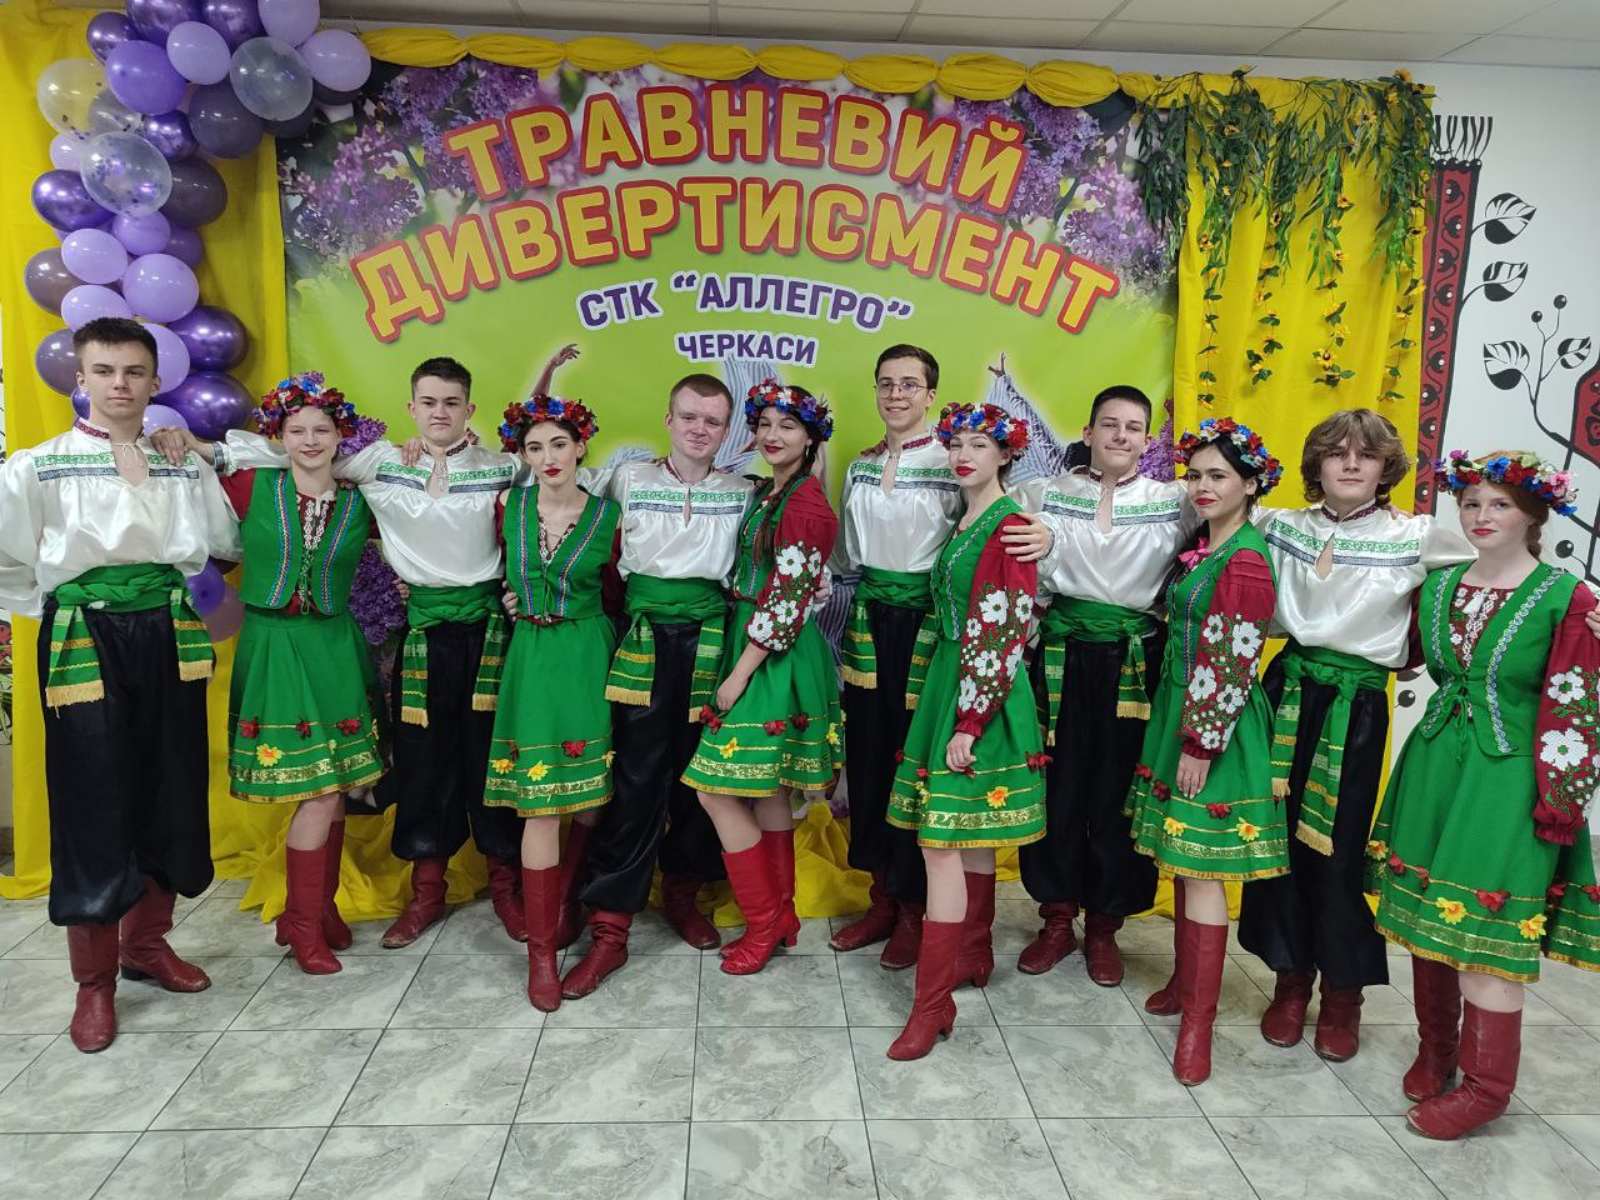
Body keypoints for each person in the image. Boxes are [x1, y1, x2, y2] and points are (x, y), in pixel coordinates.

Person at [197, 358, 526, 948]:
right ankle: (426, 892)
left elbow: (554, 487)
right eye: (429, 402)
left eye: (452, 403)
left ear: (469, 409)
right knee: (421, 762)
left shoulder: (500, 467)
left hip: (489, 630)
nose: (440, 413)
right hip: (421, 631)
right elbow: (295, 455)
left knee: (493, 756)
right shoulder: (377, 463)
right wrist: (209, 450)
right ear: (412, 407)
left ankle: (508, 889)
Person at [0, 317, 240, 1053]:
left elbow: (224, 541)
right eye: (104, 371)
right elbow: (8, 562)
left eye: (134, 371)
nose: (120, 384)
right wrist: (68, 604)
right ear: (81, 378)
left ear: (155, 379)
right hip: (86, 636)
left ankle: (146, 945)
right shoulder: (38, 467)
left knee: (171, 782)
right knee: (92, 796)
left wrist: (193, 454)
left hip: (167, 632)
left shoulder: (179, 462)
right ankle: (93, 984)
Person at [1368, 450, 1600, 1140]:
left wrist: (1562, 800)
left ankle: (1487, 1087)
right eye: (1470, 503)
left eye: (1499, 504)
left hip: (1511, 777)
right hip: (1434, 763)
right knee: (1428, 915)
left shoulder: (1568, 598)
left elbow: (1576, 702)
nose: (1480, 515)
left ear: (1533, 513)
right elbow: (1390, 647)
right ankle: (1436, 1050)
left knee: (1485, 931)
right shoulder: (1439, 586)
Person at [1238, 409, 1473, 1060]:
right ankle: (1291, 978)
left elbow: (1497, 572)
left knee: (1337, 853)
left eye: (1365, 455)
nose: (1349, 463)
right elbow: (1203, 523)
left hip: (1357, 703)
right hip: (1286, 690)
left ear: (1384, 469)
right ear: (1315, 463)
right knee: (1275, 841)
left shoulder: (1415, 536)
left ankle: (1344, 992)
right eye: (1336, 451)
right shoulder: (1279, 524)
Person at [831, 346, 1050, 970]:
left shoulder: (955, 458)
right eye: (885, 383)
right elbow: (846, 554)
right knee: (870, 758)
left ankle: (916, 908)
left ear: (931, 395)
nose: (896, 394)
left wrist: (1048, 532)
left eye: (910, 384)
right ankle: (880, 894)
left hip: (932, 627)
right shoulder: (861, 466)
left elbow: (1007, 521)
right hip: (870, 621)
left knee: (919, 762)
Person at [560, 374, 756, 997]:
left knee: (702, 778)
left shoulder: (742, 493)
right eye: (689, 417)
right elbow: (553, 497)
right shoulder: (627, 478)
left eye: (713, 421)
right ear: (668, 419)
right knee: (636, 777)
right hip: (642, 638)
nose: (700, 429)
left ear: (727, 431)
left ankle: (682, 891)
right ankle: (610, 926)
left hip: (711, 642)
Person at [1014, 385, 1198, 986]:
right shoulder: (1042, 493)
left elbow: (1240, 521)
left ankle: (1104, 925)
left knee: (1120, 789)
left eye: (1134, 427)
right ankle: (1055, 917)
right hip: (1060, 654)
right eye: (1110, 424)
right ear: (1088, 432)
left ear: (1147, 442)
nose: (1121, 435)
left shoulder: (1175, 501)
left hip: (1136, 661)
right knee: (1057, 782)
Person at [1125, 417, 1287, 1086]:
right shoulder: (1205, 546)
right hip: (1180, 708)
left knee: (1201, 871)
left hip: (1214, 721)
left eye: (1219, 475)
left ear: (1251, 485)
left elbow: (1233, 659)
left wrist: (1202, 742)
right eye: (1195, 475)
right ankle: (1184, 983)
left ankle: (1200, 1024)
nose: (1202, 486)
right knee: (1182, 860)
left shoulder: (1244, 558)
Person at [883, 401, 1046, 1061]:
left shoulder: (1011, 526)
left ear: (1006, 454)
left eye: (980, 443)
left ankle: (931, 1006)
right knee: (968, 835)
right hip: (952, 678)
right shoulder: (968, 518)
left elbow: (1004, 631)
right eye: (956, 443)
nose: (963, 454)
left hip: (983, 687)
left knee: (942, 842)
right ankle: (972, 954)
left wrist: (971, 721)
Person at [219, 374, 385, 975]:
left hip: (335, 645)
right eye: (297, 430)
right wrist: (186, 441)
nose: (310, 440)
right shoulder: (249, 485)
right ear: (279, 436)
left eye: (322, 430)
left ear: (341, 437)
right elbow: (209, 464)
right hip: (274, 643)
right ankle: (304, 924)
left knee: (335, 783)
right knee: (318, 789)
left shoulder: (363, 501)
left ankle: (317, 910)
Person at [683, 379, 841, 976]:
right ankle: (782, 915)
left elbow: (788, 601)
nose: (773, 435)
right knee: (769, 790)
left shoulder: (804, 504)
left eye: (788, 426)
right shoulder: (769, 491)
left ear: (811, 437)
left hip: (772, 653)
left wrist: (737, 678)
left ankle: (763, 921)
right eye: (765, 424)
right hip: (751, 636)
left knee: (713, 789)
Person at [487, 395, 622, 1011]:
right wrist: (509, 597)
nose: (548, 458)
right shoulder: (506, 506)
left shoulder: (610, 516)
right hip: (530, 660)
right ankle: (541, 957)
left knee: (590, 801)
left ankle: (567, 902)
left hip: (589, 656)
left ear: (580, 447)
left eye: (559, 445)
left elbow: (620, 591)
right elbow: (484, 571)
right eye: (535, 447)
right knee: (539, 806)